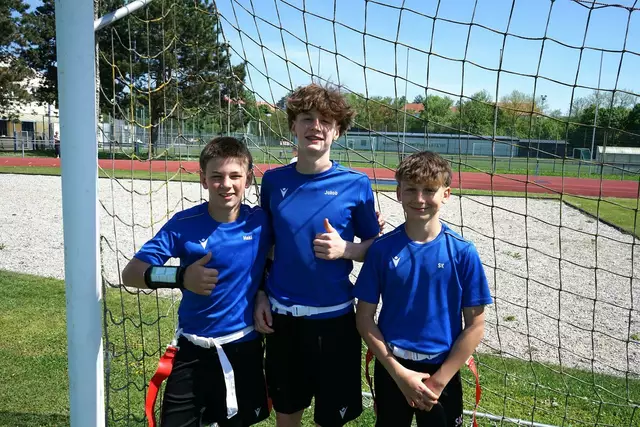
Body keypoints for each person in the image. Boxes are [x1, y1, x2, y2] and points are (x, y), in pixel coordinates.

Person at [254, 83, 382, 427]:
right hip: (283, 322)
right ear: (293, 126)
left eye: (326, 121)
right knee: (287, 418)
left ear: (337, 131)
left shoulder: (356, 184)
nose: (316, 126)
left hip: (335, 322)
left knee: (331, 420)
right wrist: (261, 293)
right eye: (307, 118)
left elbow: (377, 247)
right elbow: (266, 246)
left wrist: (346, 249)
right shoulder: (273, 181)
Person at [121, 136, 272, 427]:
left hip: (242, 349)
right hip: (191, 349)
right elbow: (131, 273)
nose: (226, 184)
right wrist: (181, 277)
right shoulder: (183, 224)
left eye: (235, 176)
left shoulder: (262, 222)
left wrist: (262, 291)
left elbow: (279, 254)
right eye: (216, 176)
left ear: (249, 179)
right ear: (203, 179)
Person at [354, 151, 493, 427]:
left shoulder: (463, 252)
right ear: (398, 193)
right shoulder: (381, 250)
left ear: (446, 194)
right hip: (393, 368)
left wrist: (439, 381)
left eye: (429, 190)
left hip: (442, 372)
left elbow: (476, 326)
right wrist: (398, 373)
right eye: (411, 189)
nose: (419, 199)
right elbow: (364, 317)